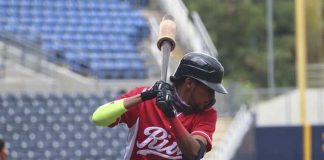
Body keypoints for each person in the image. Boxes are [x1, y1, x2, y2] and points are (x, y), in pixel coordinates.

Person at [92, 52, 227, 160]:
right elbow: (98, 118)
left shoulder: (207, 114)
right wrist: (143, 96)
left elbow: (194, 154)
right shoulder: (144, 97)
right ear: (189, 83)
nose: (212, 96)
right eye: (209, 90)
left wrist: (170, 114)